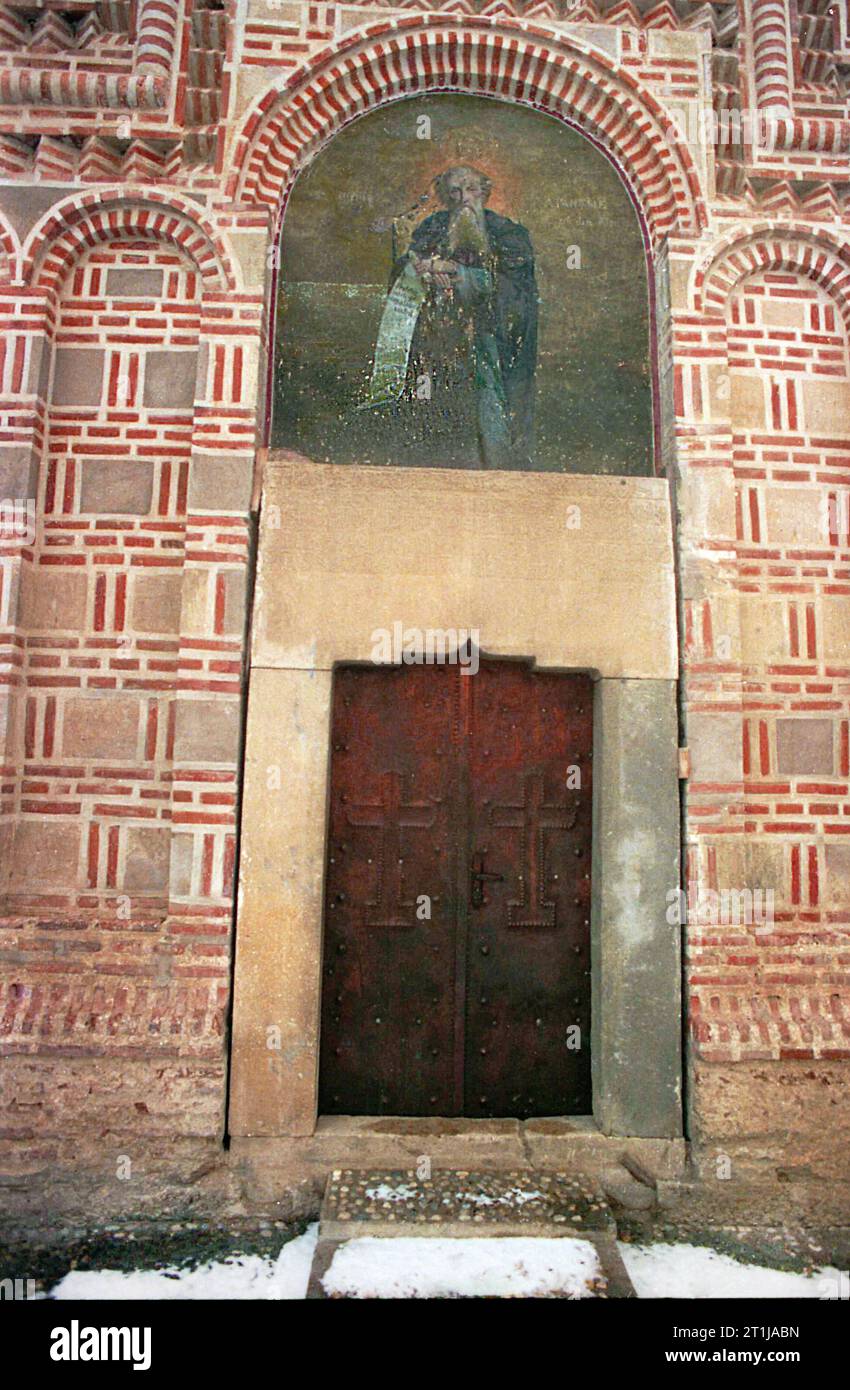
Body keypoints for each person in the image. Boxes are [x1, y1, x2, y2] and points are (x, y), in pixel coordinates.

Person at [361, 165, 538, 469]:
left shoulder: (509, 234)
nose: (463, 198)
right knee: (431, 405)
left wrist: (459, 273)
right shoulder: (432, 228)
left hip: (488, 338)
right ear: (445, 196)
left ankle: (494, 469)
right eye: (454, 191)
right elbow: (408, 266)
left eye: (470, 189)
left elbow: (516, 291)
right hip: (437, 339)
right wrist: (425, 270)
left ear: (484, 191)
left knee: (487, 407)